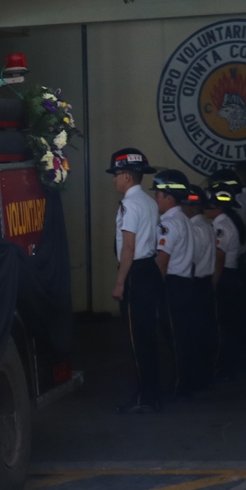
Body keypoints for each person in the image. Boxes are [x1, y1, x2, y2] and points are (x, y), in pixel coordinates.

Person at [108, 148, 164, 413]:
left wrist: (120, 282)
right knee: (148, 336)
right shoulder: (150, 201)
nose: (114, 180)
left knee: (137, 338)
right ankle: (152, 392)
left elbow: (128, 246)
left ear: (127, 177)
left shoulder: (130, 204)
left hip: (136, 273)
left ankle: (145, 397)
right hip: (149, 270)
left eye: (117, 175)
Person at [153, 170, 202, 397]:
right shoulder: (185, 220)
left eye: (159, 195)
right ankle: (189, 381)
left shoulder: (169, 224)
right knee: (184, 335)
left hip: (172, 286)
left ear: (169, 198)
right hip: (185, 284)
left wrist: (155, 292)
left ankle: (179, 385)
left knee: (174, 337)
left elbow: (162, 262)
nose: (156, 198)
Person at [204, 187, 246, 381]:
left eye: (208, 205)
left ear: (217, 207)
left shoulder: (221, 227)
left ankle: (222, 366)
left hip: (225, 277)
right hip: (230, 276)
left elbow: (219, 258)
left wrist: (213, 282)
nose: (204, 209)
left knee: (222, 324)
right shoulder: (226, 222)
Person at [180, 184, 217, 391]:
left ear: (192, 208)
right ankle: (204, 376)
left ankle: (191, 380)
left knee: (191, 334)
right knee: (203, 333)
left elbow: (190, 262)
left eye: (182, 204)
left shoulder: (193, 229)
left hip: (194, 285)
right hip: (205, 284)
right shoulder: (207, 225)